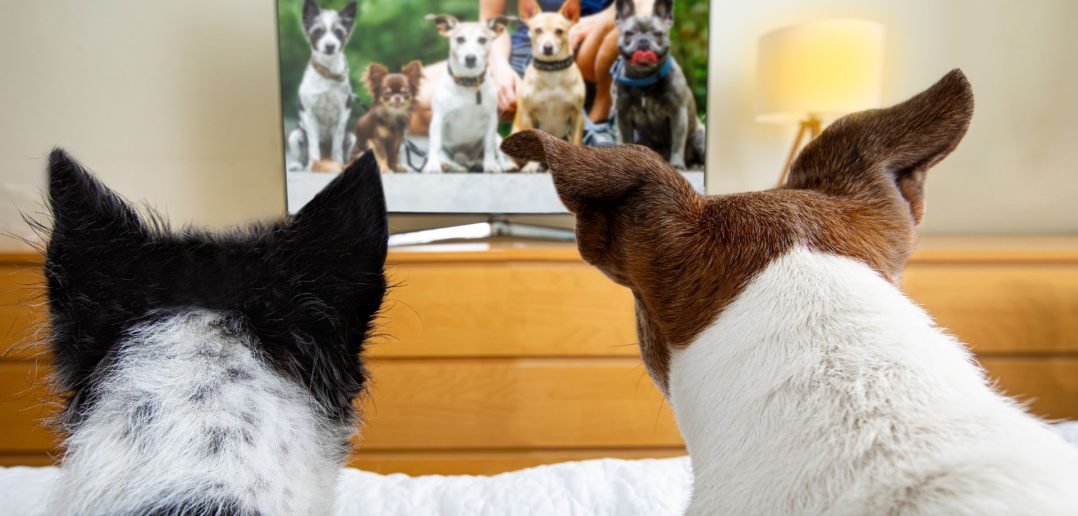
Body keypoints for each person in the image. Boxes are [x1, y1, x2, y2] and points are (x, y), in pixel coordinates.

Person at [411, 0, 645, 146]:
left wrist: (602, 19)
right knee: (414, 103)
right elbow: (490, 21)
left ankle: (598, 120)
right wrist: (500, 67)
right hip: (527, 46)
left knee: (631, 18)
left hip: (587, 47)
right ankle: (528, 133)